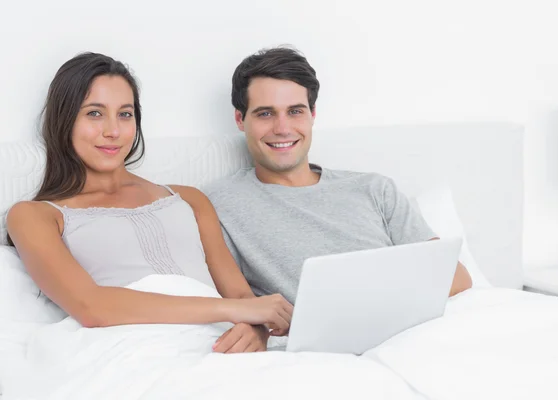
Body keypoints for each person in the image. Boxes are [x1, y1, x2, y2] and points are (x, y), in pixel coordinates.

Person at [6, 52, 293, 354]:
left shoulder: (189, 200)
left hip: (219, 347)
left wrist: (257, 329)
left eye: (125, 114)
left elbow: (241, 297)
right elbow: (92, 307)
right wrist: (234, 311)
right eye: (94, 113)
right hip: (133, 348)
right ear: (64, 120)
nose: (113, 131)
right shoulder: (35, 216)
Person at [205, 47, 473, 351]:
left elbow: (456, 277)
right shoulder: (217, 204)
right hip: (323, 352)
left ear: (312, 114)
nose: (282, 128)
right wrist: (259, 327)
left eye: (295, 111)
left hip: (413, 336)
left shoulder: (374, 189)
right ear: (240, 120)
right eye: (265, 113)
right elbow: (237, 299)